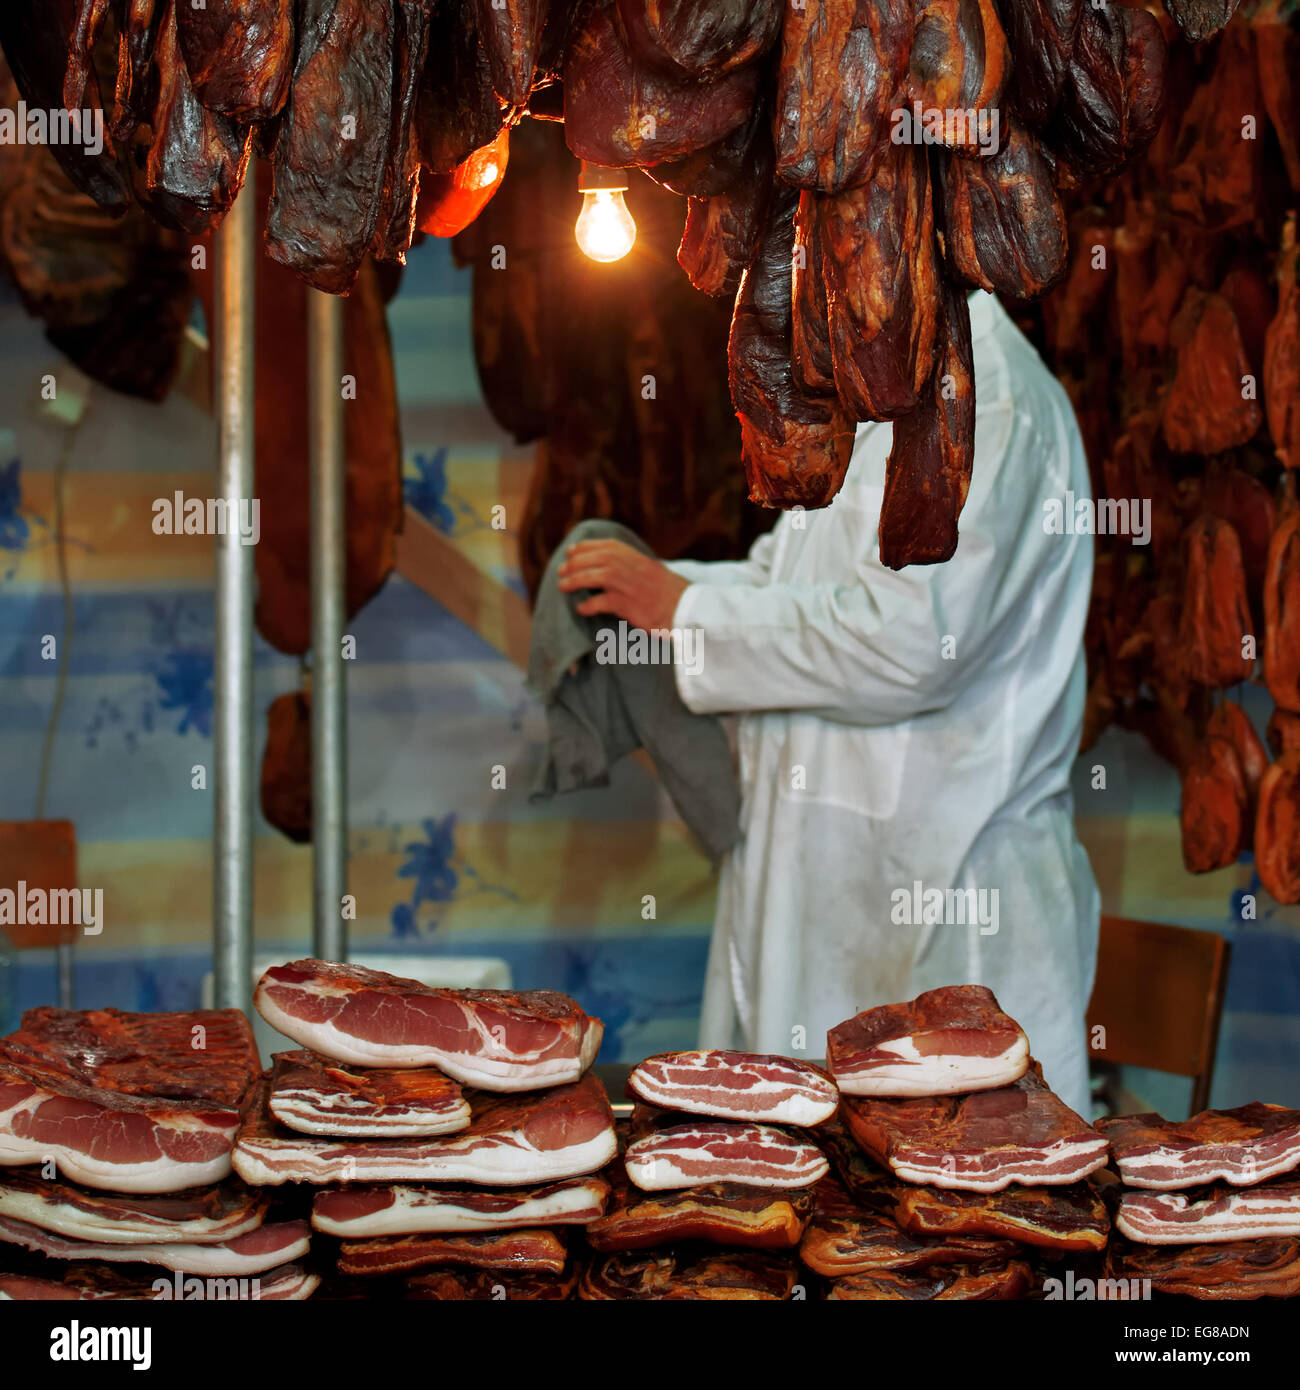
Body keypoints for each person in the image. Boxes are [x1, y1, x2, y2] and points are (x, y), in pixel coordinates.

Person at [556, 290, 1100, 1116]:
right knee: (821, 1216)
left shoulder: (991, 399)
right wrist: (662, 596)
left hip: (950, 902)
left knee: (963, 1216)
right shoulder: (884, 391)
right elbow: (791, 583)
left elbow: (912, 646)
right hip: (841, 888)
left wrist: (683, 609)